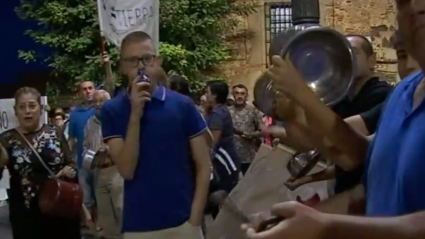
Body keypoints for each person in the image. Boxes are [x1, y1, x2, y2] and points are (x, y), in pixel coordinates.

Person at [242, 1, 425, 238]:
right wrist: (293, 219)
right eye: (402, 2)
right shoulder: (402, 94)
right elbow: (360, 165)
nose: (414, 7)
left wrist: (327, 226)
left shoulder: (380, 92)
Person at [101, 31, 211, 239]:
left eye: (147, 59)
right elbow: (126, 170)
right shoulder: (112, 110)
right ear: (123, 66)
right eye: (133, 61)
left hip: (183, 222)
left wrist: (194, 221)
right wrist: (135, 114)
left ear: (157, 61)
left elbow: (204, 165)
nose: (141, 66)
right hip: (139, 226)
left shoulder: (182, 105)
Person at [286, 30, 421, 190]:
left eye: (354, 53)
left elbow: (344, 146)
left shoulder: (384, 94)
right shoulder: (342, 99)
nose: (348, 60)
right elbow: (342, 155)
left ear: (372, 61)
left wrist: (302, 96)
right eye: (402, 56)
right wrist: (310, 178)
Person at [0, 87, 80, 239]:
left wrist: (68, 170)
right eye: (22, 107)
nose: (27, 111)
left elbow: (71, 163)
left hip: (60, 209)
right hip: (26, 214)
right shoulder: (6, 140)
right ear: (15, 111)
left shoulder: (55, 132)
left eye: (32, 105)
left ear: (40, 109)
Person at [83, 90, 123, 238]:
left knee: (120, 210)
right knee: (105, 215)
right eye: (96, 101)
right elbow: (85, 146)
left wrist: (110, 148)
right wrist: (91, 156)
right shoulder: (90, 123)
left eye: (102, 101)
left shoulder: (118, 119)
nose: (98, 104)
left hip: (116, 170)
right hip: (99, 172)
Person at [205, 80, 241, 218]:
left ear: (214, 96)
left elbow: (212, 142)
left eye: (207, 92)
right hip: (227, 161)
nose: (205, 95)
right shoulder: (220, 111)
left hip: (224, 165)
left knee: (221, 200)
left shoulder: (217, 115)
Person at [68, 80, 97, 228]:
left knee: (101, 197)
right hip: (82, 162)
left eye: (90, 88)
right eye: (84, 89)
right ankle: (91, 229)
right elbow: (71, 139)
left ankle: (103, 228)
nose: (87, 91)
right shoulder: (74, 114)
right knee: (86, 199)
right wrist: (70, 160)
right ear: (80, 92)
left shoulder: (100, 109)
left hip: (100, 163)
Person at [228, 84, 264, 174]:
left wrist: (251, 135)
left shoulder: (253, 111)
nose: (239, 96)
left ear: (246, 96)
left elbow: (263, 130)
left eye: (242, 94)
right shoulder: (227, 112)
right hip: (231, 156)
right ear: (233, 95)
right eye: (237, 93)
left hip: (248, 156)